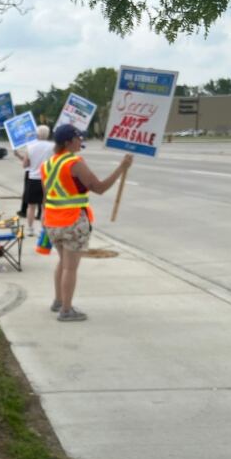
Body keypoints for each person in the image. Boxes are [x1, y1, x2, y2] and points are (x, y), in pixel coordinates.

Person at [42, 124, 133, 322]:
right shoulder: (74, 162)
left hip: (52, 221)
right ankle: (66, 310)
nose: (81, 140)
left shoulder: (48, 164)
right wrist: (121, 168)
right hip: (72, 221)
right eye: (78, 138)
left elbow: (47, 194)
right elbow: (99, 188)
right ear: (68, 142)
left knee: (63, 263)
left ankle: (59, 301)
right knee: (70, 268)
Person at [21, 125, 54, 235]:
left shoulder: (30, 146)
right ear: (48, 134)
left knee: (31, 206)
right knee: (45, 207)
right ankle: (43, 229)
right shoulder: (52, 146)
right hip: (47, 179)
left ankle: (30, 229)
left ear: (37, 134)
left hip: (33, 179)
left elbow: (25, 164)